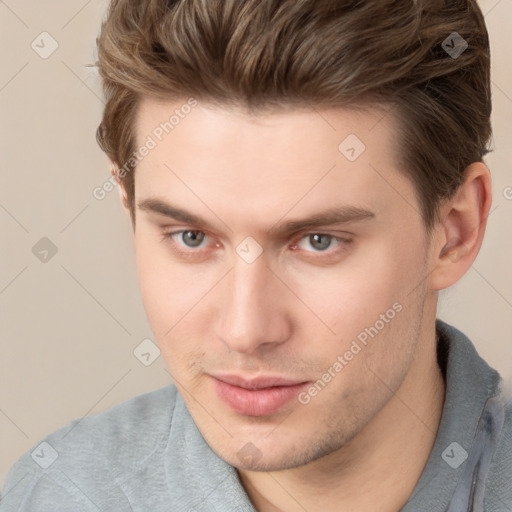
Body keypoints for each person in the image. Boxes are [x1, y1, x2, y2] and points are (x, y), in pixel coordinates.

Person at [1, 0, 511, 510]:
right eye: (191, 237)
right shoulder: (56, 494)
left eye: (319, 242)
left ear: (455, 231)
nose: (246, 331)